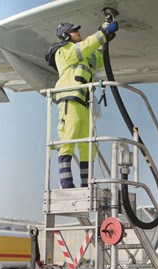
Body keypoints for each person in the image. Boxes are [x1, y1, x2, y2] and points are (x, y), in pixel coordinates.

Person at [46, 20, 118, 188]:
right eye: (74, 31)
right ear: (65, 35)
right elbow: (86, 46)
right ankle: (66, 184)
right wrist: (103, 34)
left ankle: (86, 184)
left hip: (84, 105)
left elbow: (98, 57)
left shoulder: (83, 54)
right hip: (69, 101)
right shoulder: (64, 51)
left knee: (88, 145)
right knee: (68, 139)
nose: (78, 32)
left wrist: (105, 33)